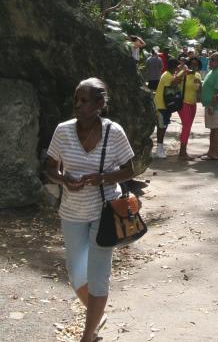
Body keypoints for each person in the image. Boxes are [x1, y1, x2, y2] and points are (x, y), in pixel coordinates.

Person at [46, 78, 135, 342]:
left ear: (100, 104)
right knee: (75, 275)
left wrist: (103, 178)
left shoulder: (114, 132)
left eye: (84, 101)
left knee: (98, 277)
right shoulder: (62, 131)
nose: (78, 105)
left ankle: (89, 334)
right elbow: (51, 168)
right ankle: (96, 315)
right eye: (76, 99)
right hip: (72, 213)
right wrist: (64, 180)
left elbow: (130, 169)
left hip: (104, 213)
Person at [154, 58, 185, 158]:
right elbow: (172, 85)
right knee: (161, 127)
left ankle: (160, 148)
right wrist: (183, 73)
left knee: (163, 126)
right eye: (176, 67)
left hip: (164, 106)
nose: (177, 69)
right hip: (161, 105)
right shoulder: (167, 76)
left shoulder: (168, 74)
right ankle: (159, 150)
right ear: (173, 67)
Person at [199, 52, 218, 161]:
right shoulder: (212, 71)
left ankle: (214, 153)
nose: (210, 62)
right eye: (210, 60)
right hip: (211, 106)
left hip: (216, 107)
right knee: (213, 130)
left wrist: (211, 106)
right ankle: (211, 152)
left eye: (213, 60)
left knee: (216, 129)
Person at [178, 57, 202, 160]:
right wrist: (184, 72)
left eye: (196, 64)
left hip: (193, 104)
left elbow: (199, 91)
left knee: (187, 127)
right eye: (192, 64)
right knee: (187, 126)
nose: (194, 66)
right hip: (183, 103)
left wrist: (200, 83)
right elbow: (174, 81)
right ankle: (182, 152)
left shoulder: (198, 75)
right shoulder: (184, 74)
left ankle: (183, 150)